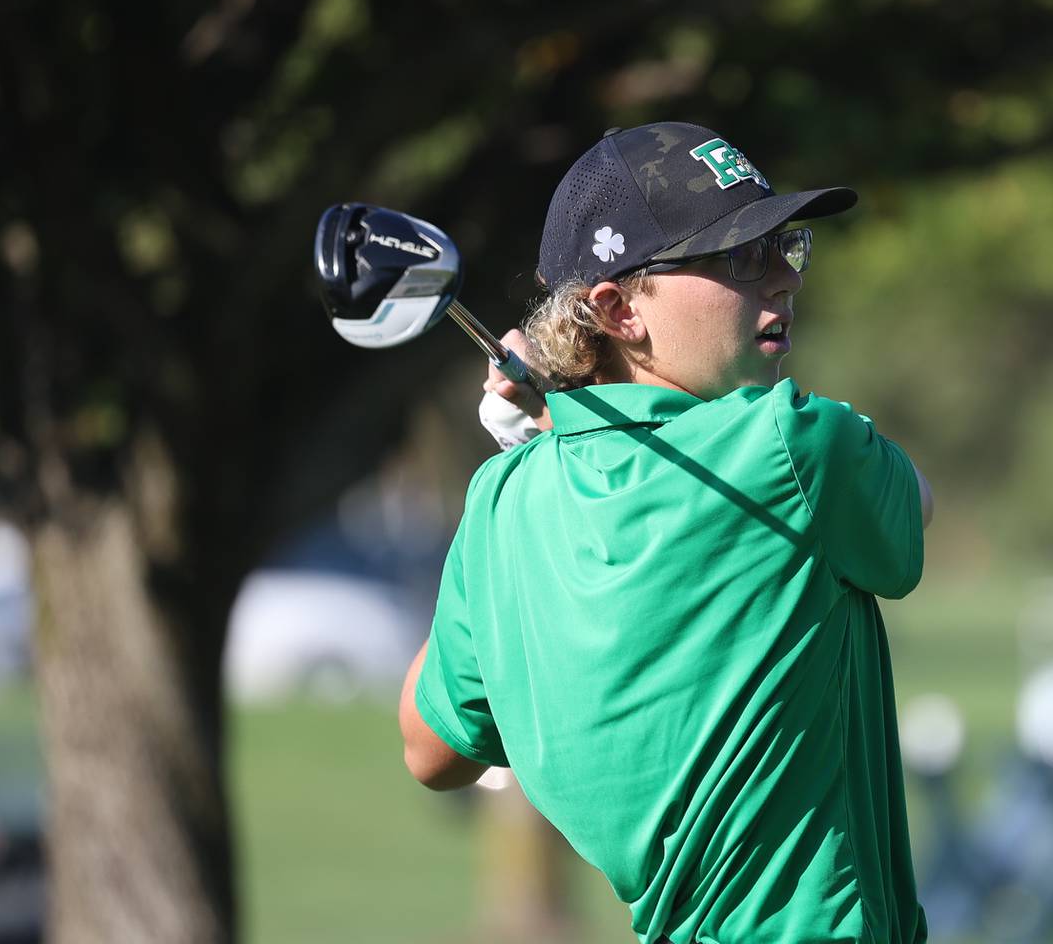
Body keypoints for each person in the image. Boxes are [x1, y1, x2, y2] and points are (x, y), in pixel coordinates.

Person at [398, 121, 935, 943]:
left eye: (785, 248)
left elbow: (433, 750)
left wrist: (533, 464)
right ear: (616, 309)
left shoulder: (501, 505)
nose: (781, 282)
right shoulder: (794, 444)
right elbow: (914, 506)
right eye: (737, 259)